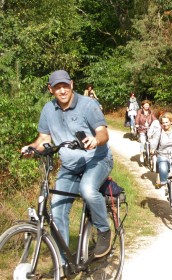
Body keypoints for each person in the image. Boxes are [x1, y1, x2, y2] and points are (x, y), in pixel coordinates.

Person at [21, 70, 114, 264]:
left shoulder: (88, 105)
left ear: (71, 84)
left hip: (96, 160)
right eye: (57, 87)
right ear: (51, 89)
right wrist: (31, 148)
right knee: (56, 210)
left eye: (65, 85)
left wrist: (95, 141)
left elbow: (103, 133)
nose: (62, 90)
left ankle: (104, 230)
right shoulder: (48, 109)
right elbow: (44, 139)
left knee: (87, 189)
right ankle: (63, 264)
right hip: (70, 166)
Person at [147, 110, 165, 186]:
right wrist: (150, 138)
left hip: (166, 144)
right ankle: (158, 176)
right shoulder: (155, 123)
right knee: (159, 160)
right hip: (156, 143)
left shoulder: (169, 124)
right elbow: (150, 132)